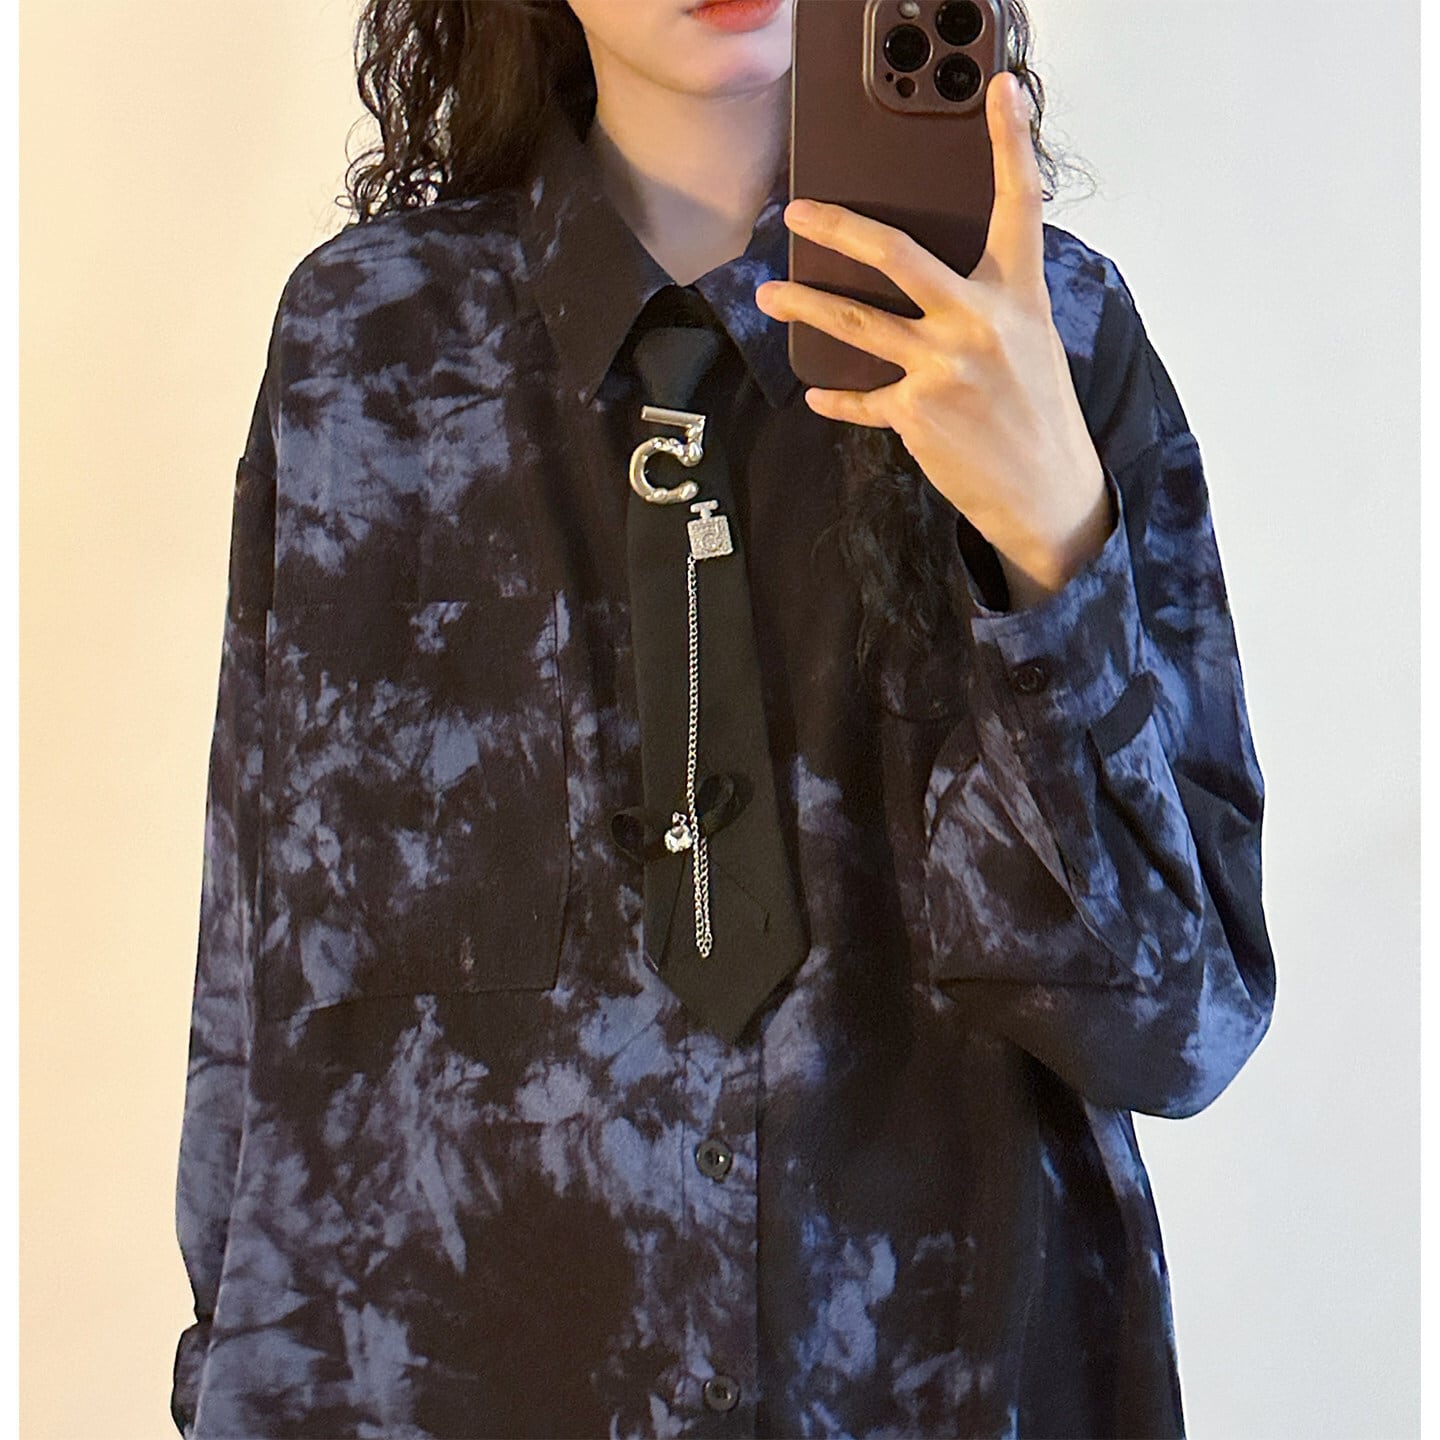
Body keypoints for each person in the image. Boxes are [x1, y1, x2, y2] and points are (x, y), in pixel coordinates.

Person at [171, 1, 1276, 1436]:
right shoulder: (366, 350)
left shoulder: (1048, 343)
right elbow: (257, 973)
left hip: (945, 1380)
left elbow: (1180, 1029)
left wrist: (1046, 539)